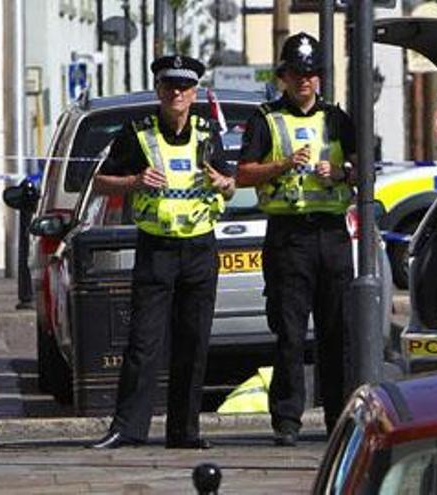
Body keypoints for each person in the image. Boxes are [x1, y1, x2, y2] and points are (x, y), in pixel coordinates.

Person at [88, 55, 236, 450]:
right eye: (169, 86)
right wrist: (135, 180)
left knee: (194, 341)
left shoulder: (206, 131)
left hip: (201, 247)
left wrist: (223, 181)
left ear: (194, 94)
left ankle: (184, 432)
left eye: (184, 87)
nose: (176, 93)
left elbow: (229, 185)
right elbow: (100, 183)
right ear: (158, 90)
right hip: (157, 247)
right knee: (144, 342)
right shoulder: (138, 132)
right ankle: (129, 427)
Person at [237, 32, 356, 446]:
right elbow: (243, 173)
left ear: (319, 77)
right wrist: (283, 165)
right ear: (283, 76)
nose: (304, 80)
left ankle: (339, 418)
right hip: (288, 238)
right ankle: (286, 420)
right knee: (289, 332)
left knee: (336, 330)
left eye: (310, 73)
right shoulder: (266, 119)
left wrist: (340, 173)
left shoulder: (338, 119)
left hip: (332, 235)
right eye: (296, 73)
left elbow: (364, 170)